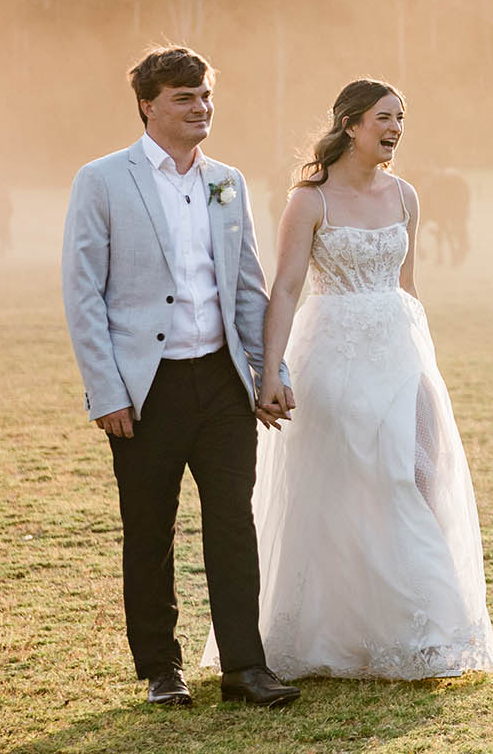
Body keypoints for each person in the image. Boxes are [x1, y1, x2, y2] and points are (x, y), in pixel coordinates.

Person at [204, 79, 493, 679]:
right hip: (332, 353)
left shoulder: (406, 195)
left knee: (415, 476)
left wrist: (423, 363)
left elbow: (408, 285)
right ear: (350, 124)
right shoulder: (309, 200)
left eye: (401, 119)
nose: (395, 129)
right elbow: (284, 289)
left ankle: (425, 631)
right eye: (384, 118)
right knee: (350, 486)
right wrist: (270, 372)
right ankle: (339, 633)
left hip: (399, 349)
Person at [61, 45, 301, 708]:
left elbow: (248, 286)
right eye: (184, 98)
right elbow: (82, 294)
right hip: (146, 389)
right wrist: (107, 390)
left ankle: (244, 670)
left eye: (206, 96)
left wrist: (268, 370)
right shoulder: (103, 180)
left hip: (222, 386)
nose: (201, 109)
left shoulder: (227, 181)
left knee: (233, 524)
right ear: (148, 104)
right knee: (149, 527)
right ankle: (161, 670)